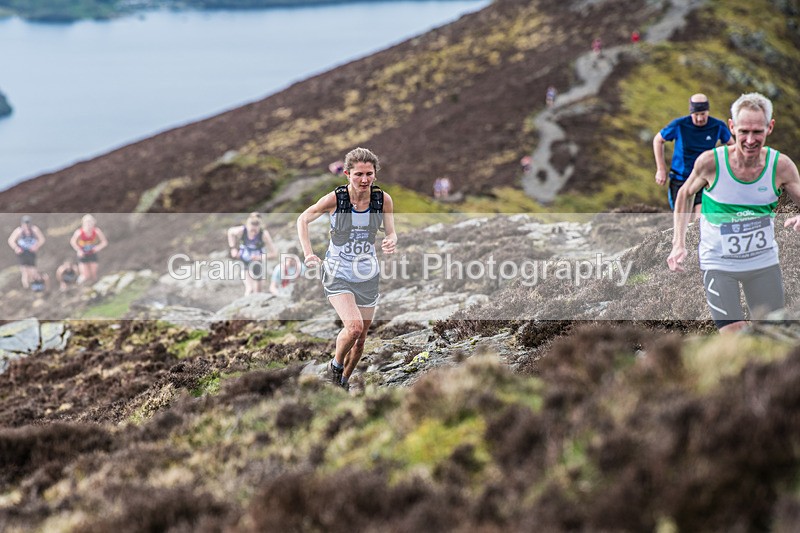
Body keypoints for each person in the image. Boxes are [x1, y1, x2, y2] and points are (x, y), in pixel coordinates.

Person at [667, 92, 800, 333]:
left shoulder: (781, 166)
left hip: (763, 264)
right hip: (718, 264)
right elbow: (684, 194)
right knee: (733, 335)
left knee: (773, 336)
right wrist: (679, 243)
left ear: (769, 127)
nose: (750, 140)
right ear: (731, 127)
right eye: (743, 131)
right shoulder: (710, 163)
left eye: (757, 132)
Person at [297, 147, 397, 390]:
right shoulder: (335, 199)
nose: (364, 180)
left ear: (375, 174)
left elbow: (391, 230)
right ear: (347, 174)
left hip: (367, 275)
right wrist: (309, 253)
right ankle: (335, 365)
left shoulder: (382, 200)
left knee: (361, 341)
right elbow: (303, 219)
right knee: (353, 328)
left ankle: (341, 383)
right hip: (337, 272)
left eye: (369, 174)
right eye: (358, 174)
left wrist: (392, 239)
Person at [654, 93, 734, 216]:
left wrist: (727, 170)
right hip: (680, 179)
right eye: (696, 114)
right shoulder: (679, 125)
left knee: (699, 220)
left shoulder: (717, 126)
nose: (700, 118)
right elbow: (658, 140)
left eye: (703, 114)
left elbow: (733, 147)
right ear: (691, 113)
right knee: (683, 220)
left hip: (704, 179)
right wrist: (661, 169)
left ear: (708, 111)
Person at [227, 212, 278, 296]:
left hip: (258, 263)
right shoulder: (242, 230)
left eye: (255, 231)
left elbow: (274, 254)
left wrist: (259, 257)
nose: (253, 233)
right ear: (247, 226)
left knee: (258, 292)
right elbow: (230, 232)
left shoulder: (264, 235)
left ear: (259, 227)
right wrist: (233, 248)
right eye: (251, 231)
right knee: (249, 289)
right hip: (245, 261)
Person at [7, 215, 45, 288]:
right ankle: (26, 287)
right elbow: (11, 240)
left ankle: (35, 286)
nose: (26, 225)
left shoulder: (34, 230)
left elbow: (42, 239)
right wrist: (16, 248)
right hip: (22, 252)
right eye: (25, 223)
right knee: (25, 271)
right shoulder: (18, 231)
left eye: (28, 223)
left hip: (31, 252)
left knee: (33, 271)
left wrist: (36, 246)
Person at [69, 214, 108, 285]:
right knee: (85, 275)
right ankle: (78, 284)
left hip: (92, 253)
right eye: (87, 223)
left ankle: (94, 288)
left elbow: (104, 242)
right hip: (83, 255)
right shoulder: (79, 232)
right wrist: (79, 250)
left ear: (93, 223)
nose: (89, 225)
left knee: (93, 274)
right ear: (83, 223)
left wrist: (98, 248)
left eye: (90, 223)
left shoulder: (96, 231)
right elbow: (72, 242)